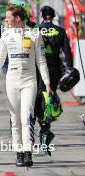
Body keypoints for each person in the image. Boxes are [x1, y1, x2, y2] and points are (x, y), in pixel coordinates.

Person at [0, 4, 52, 167]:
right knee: (15, 119)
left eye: (8, 17)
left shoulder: (34, 34)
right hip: (12, 81)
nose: (6, 20)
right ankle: (18, 152)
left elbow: (41, 61)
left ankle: (27, 152)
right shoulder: (6, 35)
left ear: (17, 18)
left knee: (27, 117)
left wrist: (47, 82)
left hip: (29, 81)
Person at [35, 6, 73, 152]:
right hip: (54, 69)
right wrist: (69, 67)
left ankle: (42, 127)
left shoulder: (36, 30)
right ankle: (46, 128)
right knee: (50, 96)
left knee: (39, 97)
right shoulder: (60, 31)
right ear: (53, 16)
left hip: (38, 68)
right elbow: (67, 52)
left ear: (42, 15)